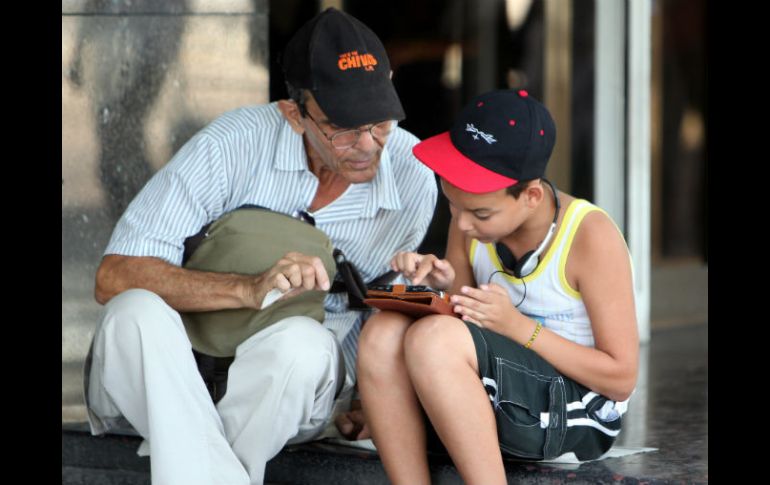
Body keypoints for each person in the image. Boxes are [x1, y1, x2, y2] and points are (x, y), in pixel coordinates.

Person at [84, 8, 437, 485]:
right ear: (294, 114)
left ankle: (192, 457)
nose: (369, 145)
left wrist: (376, 397)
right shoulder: (232, 144)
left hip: (290, 395)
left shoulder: (413, 178)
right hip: (171, 376)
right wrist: (248, 288)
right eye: (344, 128)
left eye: (381, 123)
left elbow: (376, 311)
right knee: (133, 313)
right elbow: (113, 277)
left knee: (304, 344)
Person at [357, 89, 639, 485]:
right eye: (452, 205)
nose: (463, 223)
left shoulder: (590, 237)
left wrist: (519, 327)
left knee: (434, 341)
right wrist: (440, 286)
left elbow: (620, 377)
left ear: (531, 195)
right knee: (381, 332)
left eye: (480, 213)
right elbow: (464, 322)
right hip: (501, 393)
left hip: (577, 412)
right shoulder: (468, 220)